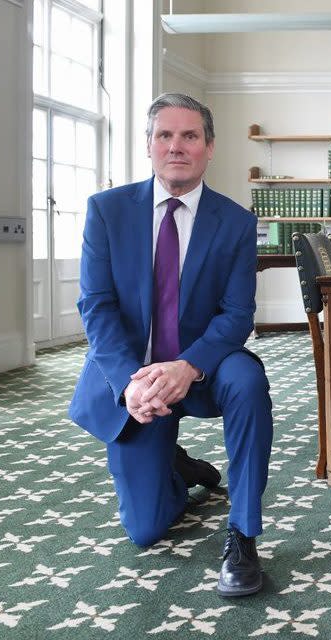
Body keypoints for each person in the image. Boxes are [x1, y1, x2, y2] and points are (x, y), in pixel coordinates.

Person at [70, 93, 273, 597]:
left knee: (249, 382)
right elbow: (96, 306)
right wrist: (129, 383)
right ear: (148, 145)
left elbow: (237, 314)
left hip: (206, 365)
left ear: (209, 148)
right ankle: (181, 467)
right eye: (165, 135)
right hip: (135, 379)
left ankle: (243, 535)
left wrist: (189, 365)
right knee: (146, 530)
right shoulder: (107, 211)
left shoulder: (236, 222)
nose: (176, 146)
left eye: (189, 136)